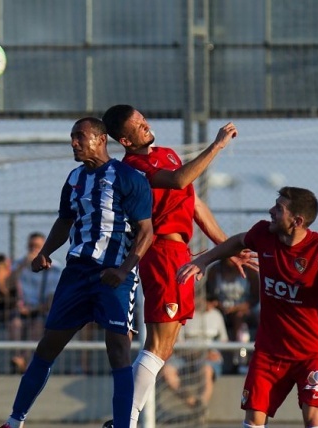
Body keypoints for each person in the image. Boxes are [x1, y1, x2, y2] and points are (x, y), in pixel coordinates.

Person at [101, 104, 255, 428]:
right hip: (161, 254)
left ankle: (122, 418)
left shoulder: (168, 153)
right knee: (157, 346)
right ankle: (123, 420)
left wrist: (228, 248)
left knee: (164, 346)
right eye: (138, 125)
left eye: (144, 119)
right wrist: (216, 146)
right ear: (125, 141)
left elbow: (196, 204)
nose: (146, 125)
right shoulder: (134, 166)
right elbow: (179, 179)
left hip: (180, 255)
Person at [0, 117, 154, 428]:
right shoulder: (74, 179)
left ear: (100, 139)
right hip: (76, 274)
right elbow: (65, 221)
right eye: (72, 137)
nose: (74, 143)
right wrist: (45, 253)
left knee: (119, 350)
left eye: (79, 137)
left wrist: (124, 270)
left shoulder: (128, 177)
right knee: (47, 346)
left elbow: (146, 232)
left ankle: (124, 424)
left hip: (113, 276)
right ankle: (15, 421)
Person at [177, 186, 318, 428]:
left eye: (279, 209)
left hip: (311, 353)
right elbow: (237, 241)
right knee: (254, 419)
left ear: (297, 221)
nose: (271, 211)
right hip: (269, 352)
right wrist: (204, 260)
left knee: (315, 419)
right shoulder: (263, 233)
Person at [159, 293, 227, 411]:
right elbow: (179, 341)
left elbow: (224, 340)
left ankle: (202, 404)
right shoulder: (187, 314)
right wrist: (193, 352)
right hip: (186, 356)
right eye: (209, 301)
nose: (212, 305)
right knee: (167, 371)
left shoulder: (217, 316)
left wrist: (214, 351)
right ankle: (191, 402)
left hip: (208, 357)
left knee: (207, 370)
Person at [8, 232, 63, 374]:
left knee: (37, 326)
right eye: (31, 246)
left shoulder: (55, 269)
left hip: (41, 309)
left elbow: (52, 298)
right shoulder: (20, 265)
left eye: (37, 247)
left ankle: (26, 360)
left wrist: (34, 309)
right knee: (16, 324)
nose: (34, 250)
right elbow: (7, 285)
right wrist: (22, 266)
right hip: (22, 309)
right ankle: (18, 357)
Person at [206, 257, 259, 374]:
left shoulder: (250, 271)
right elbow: (209, 295)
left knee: (239, 317)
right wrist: (217, 305)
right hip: (222, 309)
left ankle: (242, 358)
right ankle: (212, 356)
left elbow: (256, 297)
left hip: (245, 310)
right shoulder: (215, 270)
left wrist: (238, 308)